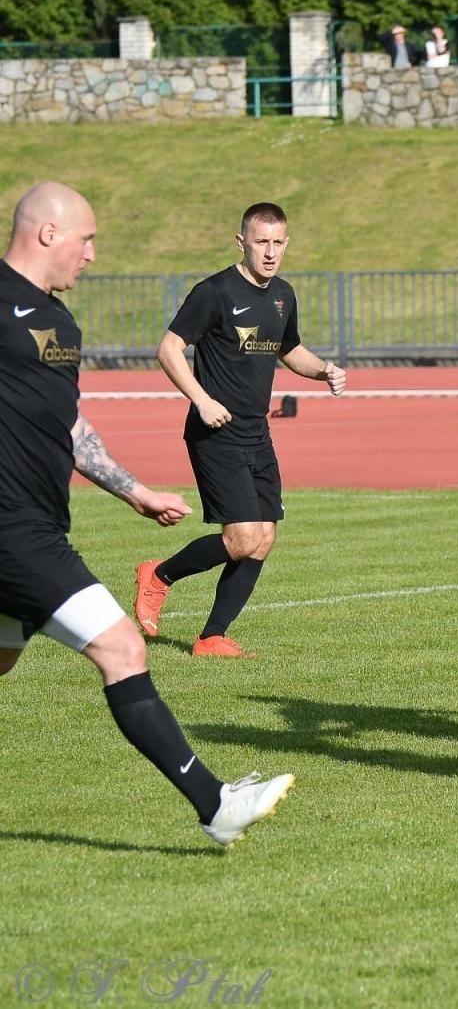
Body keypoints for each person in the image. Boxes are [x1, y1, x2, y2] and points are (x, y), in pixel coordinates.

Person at [0, 182, 293, 847]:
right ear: (48, 233)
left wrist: (133, 490)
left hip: (40, 522)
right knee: (123, 646)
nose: (94, 255)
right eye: (87, 239)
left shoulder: (62, 325)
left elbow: (68, 425)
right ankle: (214, 803)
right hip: (13, 531)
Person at [133, 203, 346, 659]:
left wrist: (324, 369)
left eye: (278, 243)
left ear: (286, 244)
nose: (270, 252)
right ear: (241, 242)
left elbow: (290, 350)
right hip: (216, 432)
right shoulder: (213, 292)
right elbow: (168, 348)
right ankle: (158, 576)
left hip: (258, 433)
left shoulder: (283, 295)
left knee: (264, 538)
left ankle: (212, 638)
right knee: (243, 537)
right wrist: (201, 399)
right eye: (261, 242)